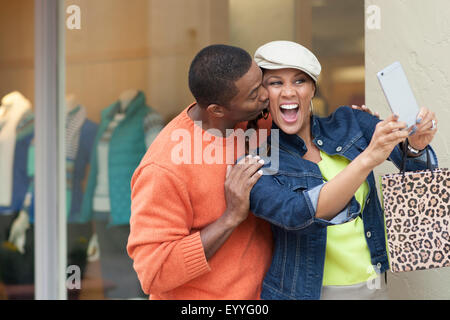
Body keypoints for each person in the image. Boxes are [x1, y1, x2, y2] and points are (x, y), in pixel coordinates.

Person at [248, 40, 439, 300]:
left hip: (374, 286)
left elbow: (419, 178)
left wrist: (415, 147)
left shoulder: (350, 122)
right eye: (276, 83)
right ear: (262, 93)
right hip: (304, 293)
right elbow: (298, 214)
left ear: (313, 88)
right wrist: (368, 158)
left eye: (299, 81)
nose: (288, 92)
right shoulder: (260, 159)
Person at [126, 44, 274, 299]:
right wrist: (230, 217)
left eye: (261, 83)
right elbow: (154, 272)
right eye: (253, 94)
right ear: (217, 110)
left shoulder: (255, 119)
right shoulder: (164, 167)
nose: (265, 95)